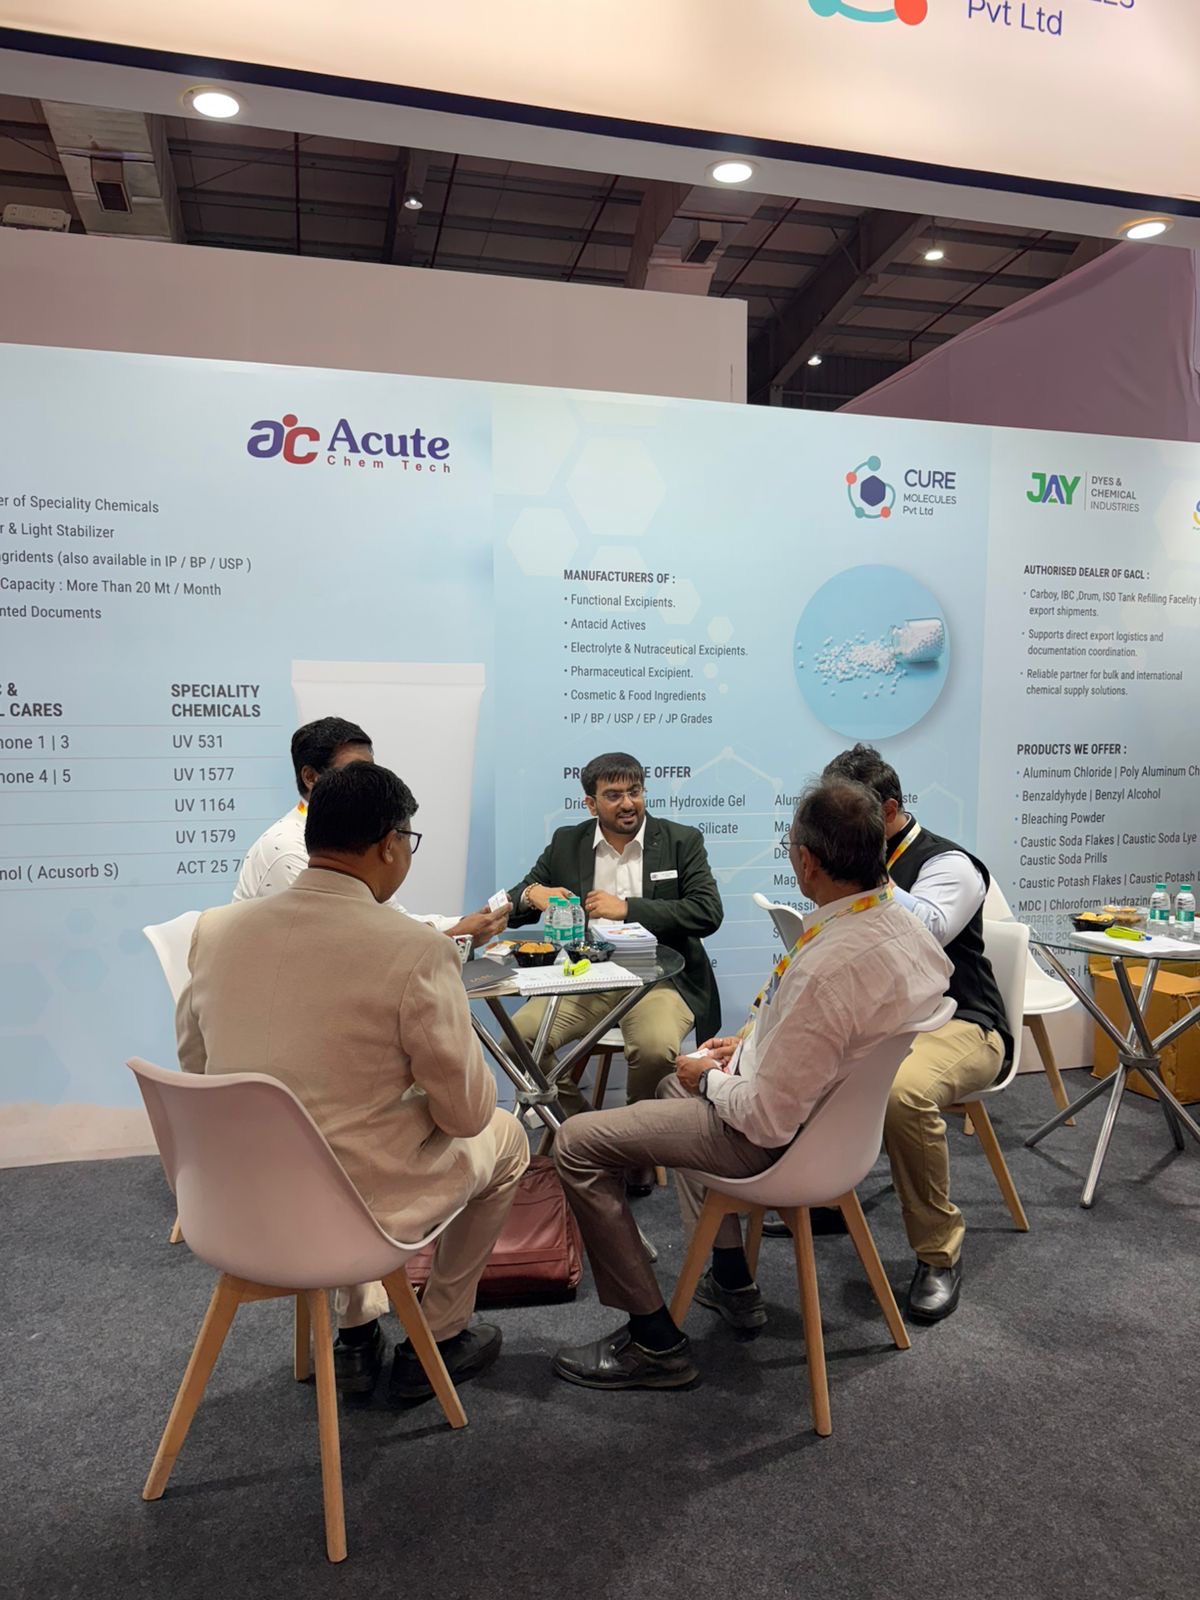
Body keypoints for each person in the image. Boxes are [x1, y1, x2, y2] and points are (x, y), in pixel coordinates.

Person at [549, 779, 950, 1391]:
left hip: (776, 1142)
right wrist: (754, 1046)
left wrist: (712, 1076)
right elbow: (842, 1036)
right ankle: (731, 1275)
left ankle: (653, 1341)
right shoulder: (905, 926)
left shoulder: (825, 967)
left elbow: (765, 1119)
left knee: (576, 1143)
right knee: (673, 1089)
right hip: (841, 1134)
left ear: (806, 861)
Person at [177, 760, 529, 1400]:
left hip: (231, 1205)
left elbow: (195, 1068)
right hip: (358, 1210)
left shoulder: (214, 931)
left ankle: (357, 1334)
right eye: (410, 841)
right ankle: (439, 1336)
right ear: (390, 844)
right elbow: (467, 1115)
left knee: (336, 1127)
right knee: (506, 1139)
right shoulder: (417, 949)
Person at [822, 744, 1010, 1323]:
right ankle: (823, 1194)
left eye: (847, 815)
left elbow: (928, 930)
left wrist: (869, 873)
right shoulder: (850, 862)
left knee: (904, 1093)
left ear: (888, 810)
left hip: (963, 1023)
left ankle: (938, 1252)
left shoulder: (949, 864)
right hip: (889, 1020)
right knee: (807, 1055)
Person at [506, 752, 723, 1182]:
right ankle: (586, 1131)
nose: (628, 803)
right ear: (590, 803)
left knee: (656, 1047)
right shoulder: (568, 843)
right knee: (517, 1041)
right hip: (587, 978)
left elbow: (707, 912)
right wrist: (532, 894)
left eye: (634, 792)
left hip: (659, 979)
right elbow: (516, 902)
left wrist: (628, 908)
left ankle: (637, 1150)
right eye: (614, 795)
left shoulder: (680, 840)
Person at [234, 716, 508, 945]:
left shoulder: (354, 835)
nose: (367, 781)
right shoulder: (287, 849)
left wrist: (465, 923)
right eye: (354, 770)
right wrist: (455, 937)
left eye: (370, 770)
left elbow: (391, 919)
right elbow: (353, 947)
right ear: (310, 777)